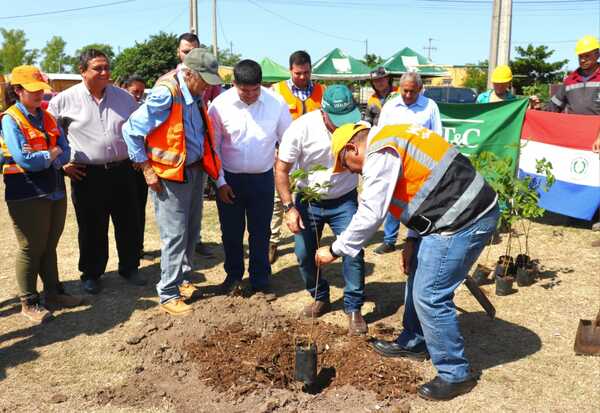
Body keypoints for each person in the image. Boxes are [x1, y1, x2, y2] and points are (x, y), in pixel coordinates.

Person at [315, 122, 499, 401]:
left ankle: (455, 374)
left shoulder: (381, 151)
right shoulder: (392, 137)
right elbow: (420, 187)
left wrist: (336, 249)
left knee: (430, 294)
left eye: (347, 164)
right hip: (447, 217)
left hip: (464, 219)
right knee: (418, 276)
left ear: (353, 148)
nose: (352, 172)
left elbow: (371, 212)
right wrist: (412, 240)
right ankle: (414, 341)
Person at [122, 48, 222, 315]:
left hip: (193, 171)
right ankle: (168, 293)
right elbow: (130, 129)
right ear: (189, 73)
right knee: (174, 235)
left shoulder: (195, 92)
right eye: (204, 80)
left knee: (191, 231)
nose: (207, 88)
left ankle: (183, 281)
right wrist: (146, 168)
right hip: (169, 177)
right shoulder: (167, 92)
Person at [48, 49, 145, 295]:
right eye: (98, 68)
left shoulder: (125, 98)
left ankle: (130, 267)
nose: (104, 72)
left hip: (123, 171)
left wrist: (139, 155)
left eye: (106, 67)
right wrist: (62, 164)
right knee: (92, 226)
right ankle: (91, 273)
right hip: (87, 174)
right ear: (82, 71)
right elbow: (48, 135)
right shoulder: (64, 100)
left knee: (129, 222)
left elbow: (139, 129)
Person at [275, 85, 367, 335]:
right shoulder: (301, 128)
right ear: (323, 111)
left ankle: (353, 307)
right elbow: (281, 169)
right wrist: (289, 207)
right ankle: (320, 296)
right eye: (336, 120)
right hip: (308, 199)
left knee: (353, 251)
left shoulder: (359, 129)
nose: (341, 126)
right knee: (305, 254)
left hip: (344, 200)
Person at [1, 65, 82, 322]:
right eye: (33, 90)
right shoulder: (10, 119)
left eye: (41, 90)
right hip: (26, 192)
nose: (39, 95)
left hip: (54, 189)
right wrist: (52, 154)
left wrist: (51, 156)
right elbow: (27, 161)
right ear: (18, 90)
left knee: (50, 245)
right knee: (31, 246)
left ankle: (54, 293)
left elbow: (66, 150)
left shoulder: (46, 116)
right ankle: (29, 301)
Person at [209, 59, 292, 297]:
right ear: (233, 84)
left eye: (255, 90)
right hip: (229, 181)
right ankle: (234, 277)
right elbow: (214, 147)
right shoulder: (219, 105)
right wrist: (220, 182)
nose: (250, 95)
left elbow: (287, 139)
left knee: (260, 232)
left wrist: (282, 171)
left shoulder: (276, 103)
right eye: (244, 90)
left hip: (263, 180)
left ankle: (260, 280)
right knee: (232, 232)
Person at [160, 32, 220, 256]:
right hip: (174, 168)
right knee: (176, 227)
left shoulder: (205, 84)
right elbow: (136, 129)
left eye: (194, 51)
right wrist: (147, 168)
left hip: (198, 162)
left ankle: (187, 266)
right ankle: (171, 285)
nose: (189, 55)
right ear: (179, 53)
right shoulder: (168, 86)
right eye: (186, 51)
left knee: (193, 219)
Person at [373, 72, 443, 255]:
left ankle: (417, 236)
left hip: (421, 165)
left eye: (413, 91)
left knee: (421, 201)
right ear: (399, 88)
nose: (409, 95)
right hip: (395, 163)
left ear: (420, 89)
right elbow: (380, 135)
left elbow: (438, 136)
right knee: (393, 199)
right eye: (405, 91)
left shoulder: (430, 106)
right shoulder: (390, 107)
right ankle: (389, 239)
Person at [269, 50, 325, 264]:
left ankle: (310, 239)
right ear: (290, 70)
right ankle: (273, 241)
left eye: (306, 73)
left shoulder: (322, 91)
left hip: (312, 157)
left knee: (310, 195)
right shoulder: (277, 91)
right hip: (285, 155)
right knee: (277, 201)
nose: (303, 77)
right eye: (298, 73)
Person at [547, 35, 600, 231]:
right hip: (578, 138)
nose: (583, 60)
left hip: (598, 136)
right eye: (580, 56)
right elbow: (554, 106)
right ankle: (578, 213)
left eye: (587, 56)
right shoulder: (570, 80)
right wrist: (534, 110)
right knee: (580, 174)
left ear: (597, 55)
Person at [122, 74, 151, 260]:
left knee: (139, 208)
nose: (138, 95)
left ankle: (137, 247)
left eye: (141, 92)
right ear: (125, 89)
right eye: (135, 92)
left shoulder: (145, 110)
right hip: (123, 165)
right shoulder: (118, 108)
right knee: (125, 211)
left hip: (140, 166)